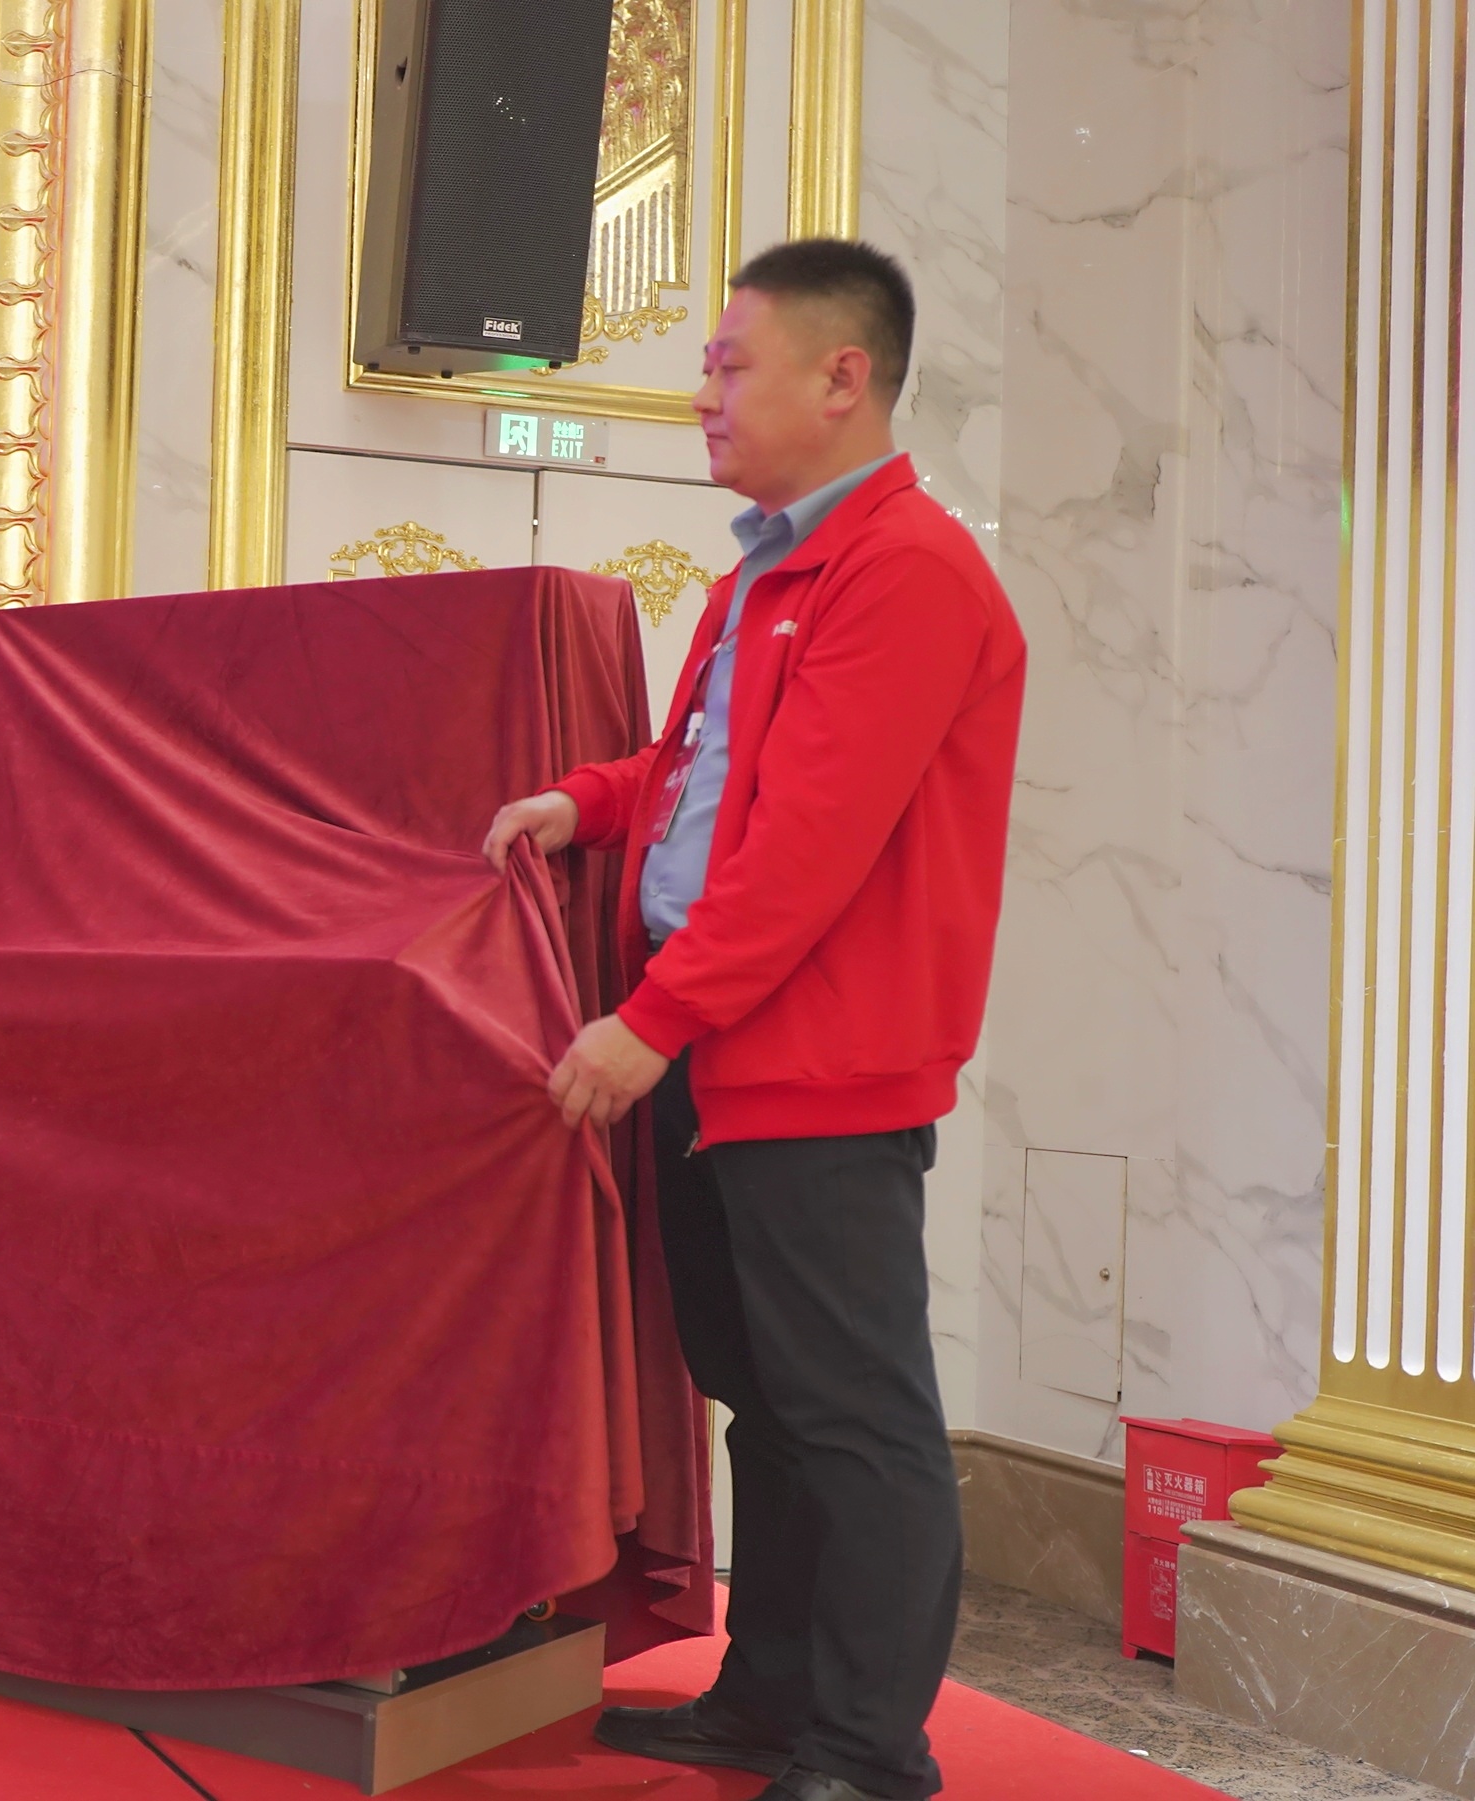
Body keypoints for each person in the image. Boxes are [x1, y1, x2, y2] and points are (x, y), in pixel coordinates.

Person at [483, 242, 1024, 1801]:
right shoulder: (763, 574)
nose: (703, 395)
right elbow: (707, 779)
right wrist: (590, 801)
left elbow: (806, 846)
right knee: (768, 1400)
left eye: (731, 366)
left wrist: (650, 1021)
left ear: (842, 378)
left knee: (854, 1416)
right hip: (725, 1053)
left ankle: (869, 1751)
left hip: (820, 1068)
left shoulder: (905, 570)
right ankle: (771, 1700)